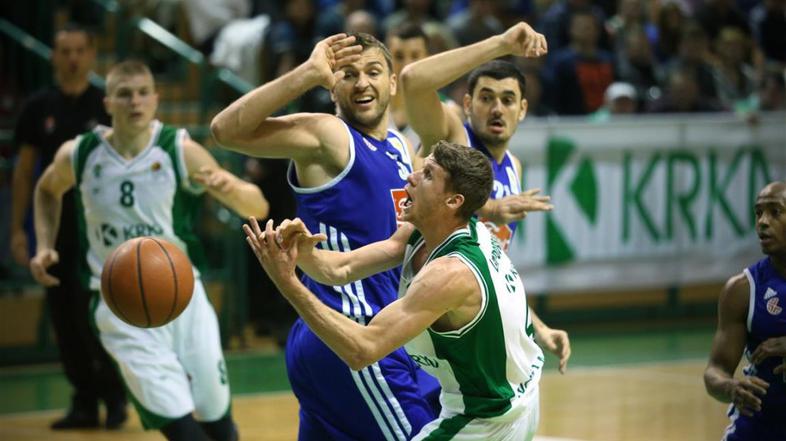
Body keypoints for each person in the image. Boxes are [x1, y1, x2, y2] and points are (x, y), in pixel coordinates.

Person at [244, 141, 570, 440]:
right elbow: (340, 269)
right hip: (516, 393)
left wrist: (287, 282)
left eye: (427, 175)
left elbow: (362, 350)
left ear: (453, 201)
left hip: (489, 420)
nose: (411, 177)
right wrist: (299, 252)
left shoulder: (450, 274)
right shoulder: (429, 232)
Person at [212, 32, 441, 441]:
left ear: (393, 81)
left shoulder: (401, 147)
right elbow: (225, 130)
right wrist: (305, 74)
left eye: (373, 71)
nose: (362, 83)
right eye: (347, 74)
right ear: (331, 85)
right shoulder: (329, 135)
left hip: (352, 332)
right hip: (350, 331)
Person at [30, 60, 268, 441]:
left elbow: (258, 208)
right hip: (120, 305)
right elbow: (45, 189)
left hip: (185, 295)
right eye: (124, 94)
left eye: (143, 93)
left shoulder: (179, 149)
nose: (134, 101)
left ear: (156, 100)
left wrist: (230, 189)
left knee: (219, 423)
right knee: (183, 429)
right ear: (108, 102)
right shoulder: (79, 153)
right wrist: (43, 245)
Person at [9, 23, 128, 430]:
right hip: (57, 229)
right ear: (54, 56)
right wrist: (19, 229)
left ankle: (115, 397)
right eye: (65, 51)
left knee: (101, 316)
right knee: (65, 319)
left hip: (103, 231)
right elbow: (25, 173)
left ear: (92, 54)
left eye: (80, 50)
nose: (73, 58)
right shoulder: (38, 107)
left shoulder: (107, 105)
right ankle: (83, 400)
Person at [400, 21, 553, 252]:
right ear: (468, 104)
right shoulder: (452, 138)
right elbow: (412, 80)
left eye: (507, 100)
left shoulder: (514, 166)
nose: (497, 109)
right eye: (486, 98)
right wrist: (501, 44)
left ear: (522, 109)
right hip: (432, 278)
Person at [704, 180, 786, 440]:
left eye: (775, 212)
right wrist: (730, 387)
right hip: (758, 430)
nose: (762, 222)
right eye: (758, 212)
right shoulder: (742, 289)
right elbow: (714, 370)